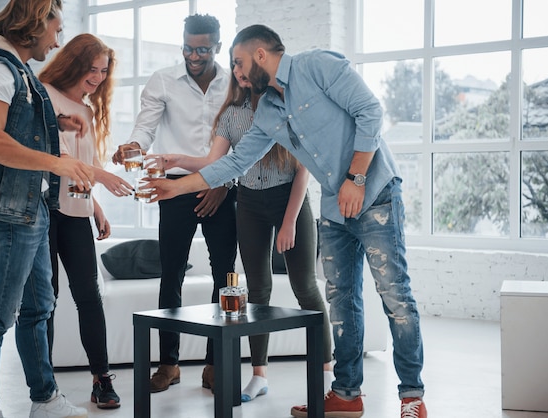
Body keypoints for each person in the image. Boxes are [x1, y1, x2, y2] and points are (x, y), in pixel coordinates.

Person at [141, 24, 427, 418]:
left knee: (394, 296)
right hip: (333, 206)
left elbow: (370, 111)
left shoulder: (317, 66)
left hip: (375, 192)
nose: (237, 74)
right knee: (342, 301)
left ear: (260, 55)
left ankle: (411, 397)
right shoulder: (270, 110)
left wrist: (355, 179)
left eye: (239, 64)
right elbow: (236, 161)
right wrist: (177, 187)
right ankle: (346, 395)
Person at [153, 54, 335, 402]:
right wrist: (176, 160)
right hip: (250, 203)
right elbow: (215, 161)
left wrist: (289, 222)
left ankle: (327, 374)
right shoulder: (231, 114)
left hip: (289, 201)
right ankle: (258, 375)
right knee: (256, 292)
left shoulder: (285, 109)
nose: (239, 73)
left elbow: (302, 170)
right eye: (235, 68)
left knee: (306, 289)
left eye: (244, 67)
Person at [0, 1, 94, 417]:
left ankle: (46, 400)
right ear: (35, 23)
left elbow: (16, 119)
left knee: (38, 309)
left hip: (29, 208)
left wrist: (58, 123)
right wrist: (59, 162)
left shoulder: (15, 70)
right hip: (7, 212)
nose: (58, 38)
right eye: (56, 27)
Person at [111, 13, 237, 394]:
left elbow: (243, 140)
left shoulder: (235, 84)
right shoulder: (163, 80)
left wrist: (222, 181)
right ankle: (169, 364)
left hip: (222, 185)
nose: (193, 56)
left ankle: (217, 363)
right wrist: (132, 147)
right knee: (171, 275)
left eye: (202, 49)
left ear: (217, 45)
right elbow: (145, 129)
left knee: (225, 278)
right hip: (176, 188)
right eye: (187, 47)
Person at [39, 33, 133, 409]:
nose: (96, 77)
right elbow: (57, 155)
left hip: (76, 213)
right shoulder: (45, 94)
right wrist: (104, 177)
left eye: (103, 71)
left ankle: (101, 378)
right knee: (46, 300)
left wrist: (96, 206)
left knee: (88, 298)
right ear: (73, 62)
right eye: (90, 68)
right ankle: (43, 387)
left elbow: (82, 165)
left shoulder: (89, 111)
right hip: (45, 212)